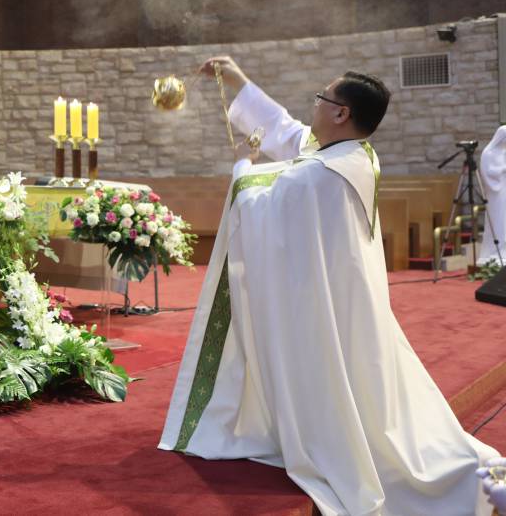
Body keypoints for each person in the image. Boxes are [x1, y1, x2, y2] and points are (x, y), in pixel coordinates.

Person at [158, 56, 498, 516]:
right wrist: (238, 82)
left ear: (341, 113)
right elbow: (288, 132)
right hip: (348, 303)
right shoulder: (351, 155)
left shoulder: (322, 174)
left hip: (326, 313)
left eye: (322, 98)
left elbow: (260, 210)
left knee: (350, 406)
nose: (314, 106)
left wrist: (242, 166)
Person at [478, 126, 506, 266]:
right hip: (495, 194)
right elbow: (487, 172)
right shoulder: (488, 153)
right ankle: (494, 251)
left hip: (504, 190)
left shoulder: (503, 152)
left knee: (504, 221)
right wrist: (503, 169)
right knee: (497, 221)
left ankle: (504, 249)